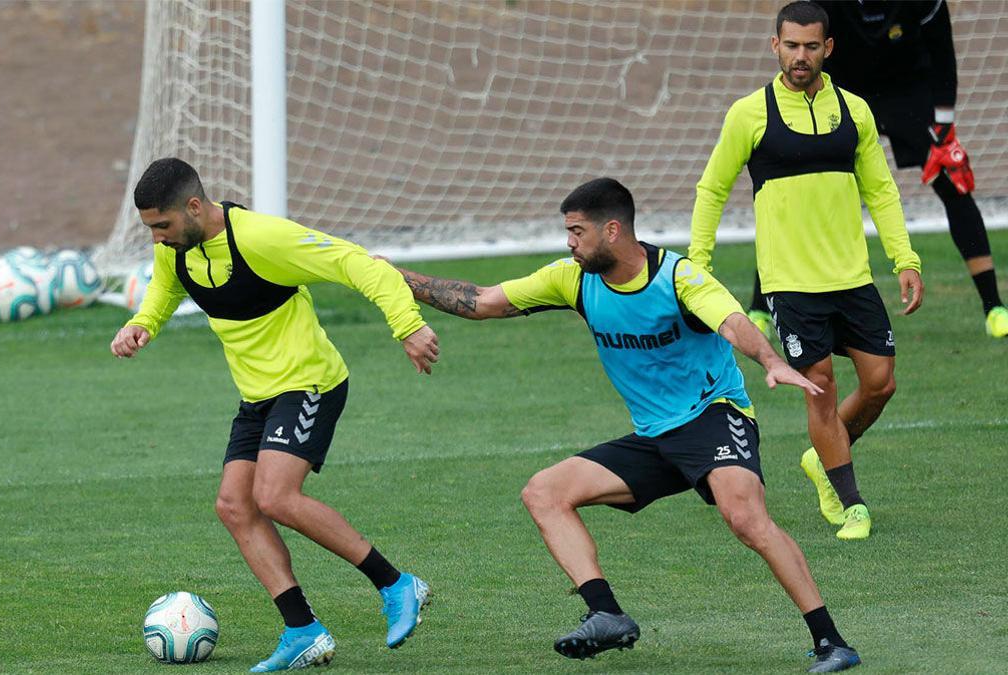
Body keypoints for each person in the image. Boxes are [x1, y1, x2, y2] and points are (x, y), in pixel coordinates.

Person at [395, 177, 860, 672]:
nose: (569, 242)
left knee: (744, 517)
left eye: (577, 232)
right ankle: (606, 613)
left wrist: (769, 359)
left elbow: (731, 322)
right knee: (544, 493)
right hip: (655, 437)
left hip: (712, 416)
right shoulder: (572, 278)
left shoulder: (678, 277)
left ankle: (831, 641)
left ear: (612, 231)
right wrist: (394, 278)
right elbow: (483, 301)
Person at [110, 158, 438, 672]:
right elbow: (167, 287)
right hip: (257, 396)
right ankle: (303, 630)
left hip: (309, 382)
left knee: (275, 495)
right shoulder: (179, 249)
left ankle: (398, 586)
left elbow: (360, 264)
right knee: (235, 506)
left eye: (162, 226)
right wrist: (143, 323)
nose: (156, 238)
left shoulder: (263, 239)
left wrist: (408, 326)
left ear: (194, 207)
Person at [689, 1, 924, 541]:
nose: (801, 56)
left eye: (811, 46)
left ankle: (824, 455)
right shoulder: (749, 113)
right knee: (818, 386)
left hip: (852, 276)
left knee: (881, 383)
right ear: (775, 46)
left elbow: (881, 191)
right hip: (790, 283)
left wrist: (904, 259)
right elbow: (712, 190)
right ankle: (852, 501)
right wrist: (698, 267)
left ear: (828, 48)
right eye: (791, 45)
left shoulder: (855, 111)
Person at [745, 0, 1007, 340]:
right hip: (841, 93)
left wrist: (944, 126)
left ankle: (994, 308)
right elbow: (805, 47)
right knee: (798, 187)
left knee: (954, 183)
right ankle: (758, 307)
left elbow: (942, 51)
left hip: (907, 92)